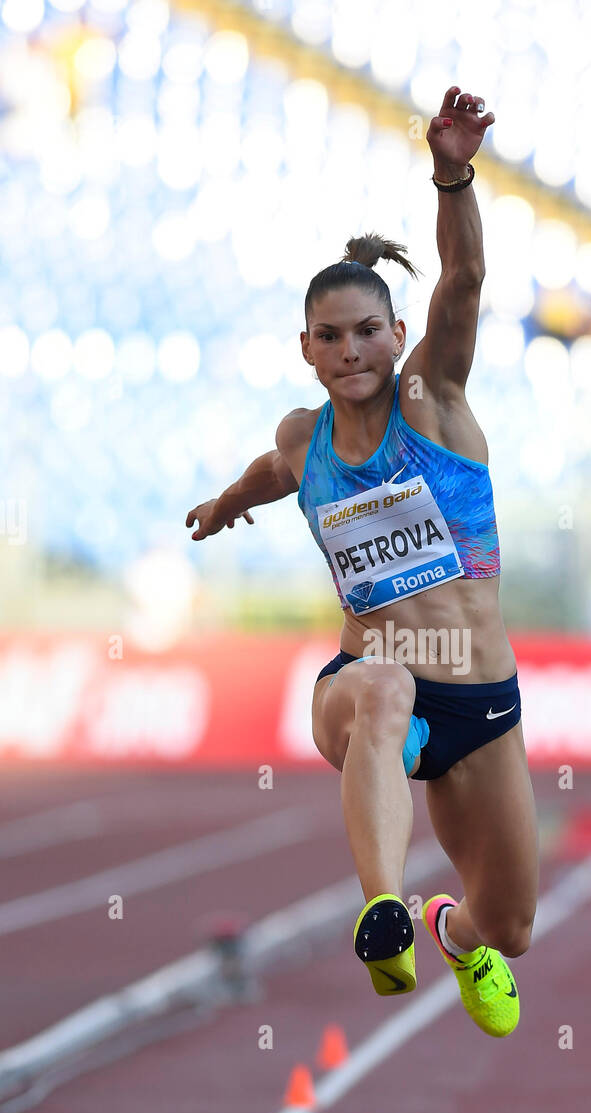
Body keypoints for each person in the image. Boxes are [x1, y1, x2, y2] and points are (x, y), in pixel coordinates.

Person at [187, 87, 539, 1038]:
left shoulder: (432, 402)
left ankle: (449, 933)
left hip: (479, 697)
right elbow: (276, 469)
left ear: (395, 335)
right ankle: (385, 910)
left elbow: (462, 280)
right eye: (329, 336)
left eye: (367, 331)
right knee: (384, 687)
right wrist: (227, 502)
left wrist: (454, 172)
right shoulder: (306, 441)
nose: (351, 350)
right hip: (365, 683)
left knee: (512, 922)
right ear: (306, 349)